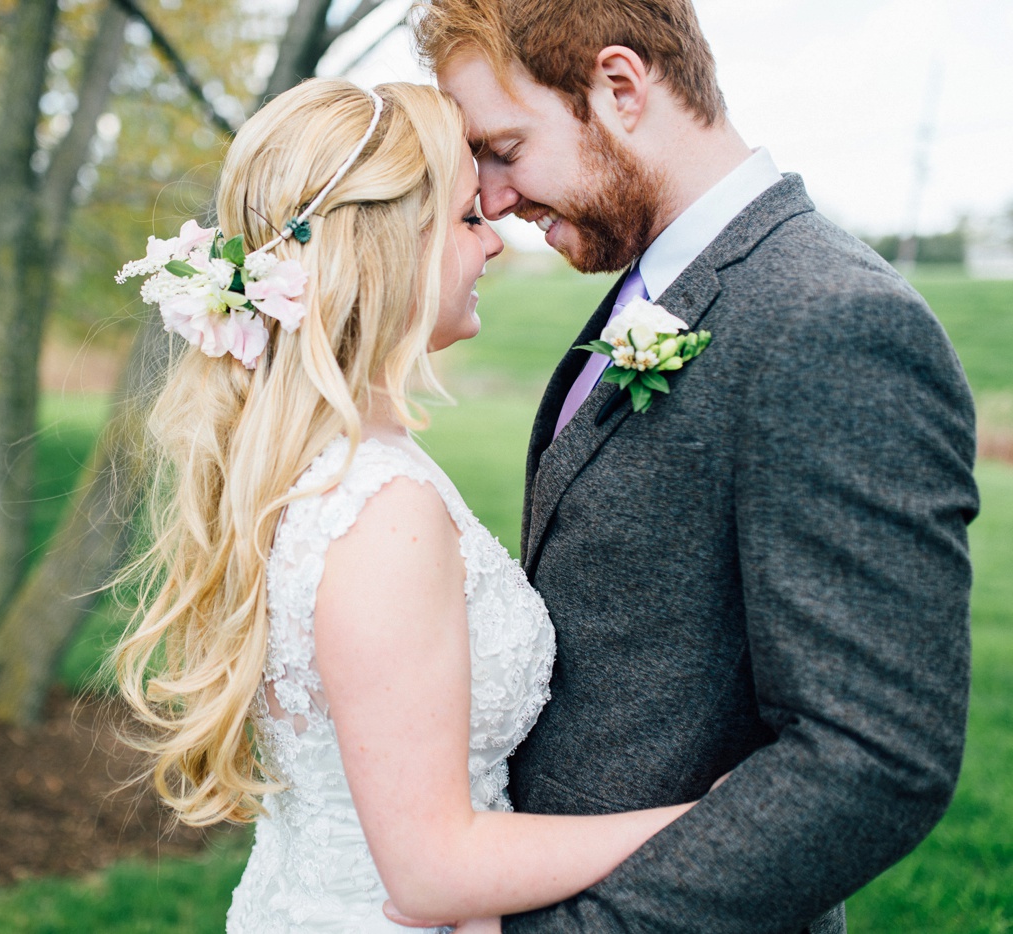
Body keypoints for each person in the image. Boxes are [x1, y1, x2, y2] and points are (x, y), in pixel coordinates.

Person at [408, 1, 981, 932]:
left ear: (622, 88)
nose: (493, 197)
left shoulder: (832, 321)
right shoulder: (655, 285)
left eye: (504, 147)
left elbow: (875, 757)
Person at [113, 79, 717, 932]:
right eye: (470, 220)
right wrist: (701, 826)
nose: (495, 245)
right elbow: (434, 871)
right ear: (384, 245)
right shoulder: (379, 508)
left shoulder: (324, 465)